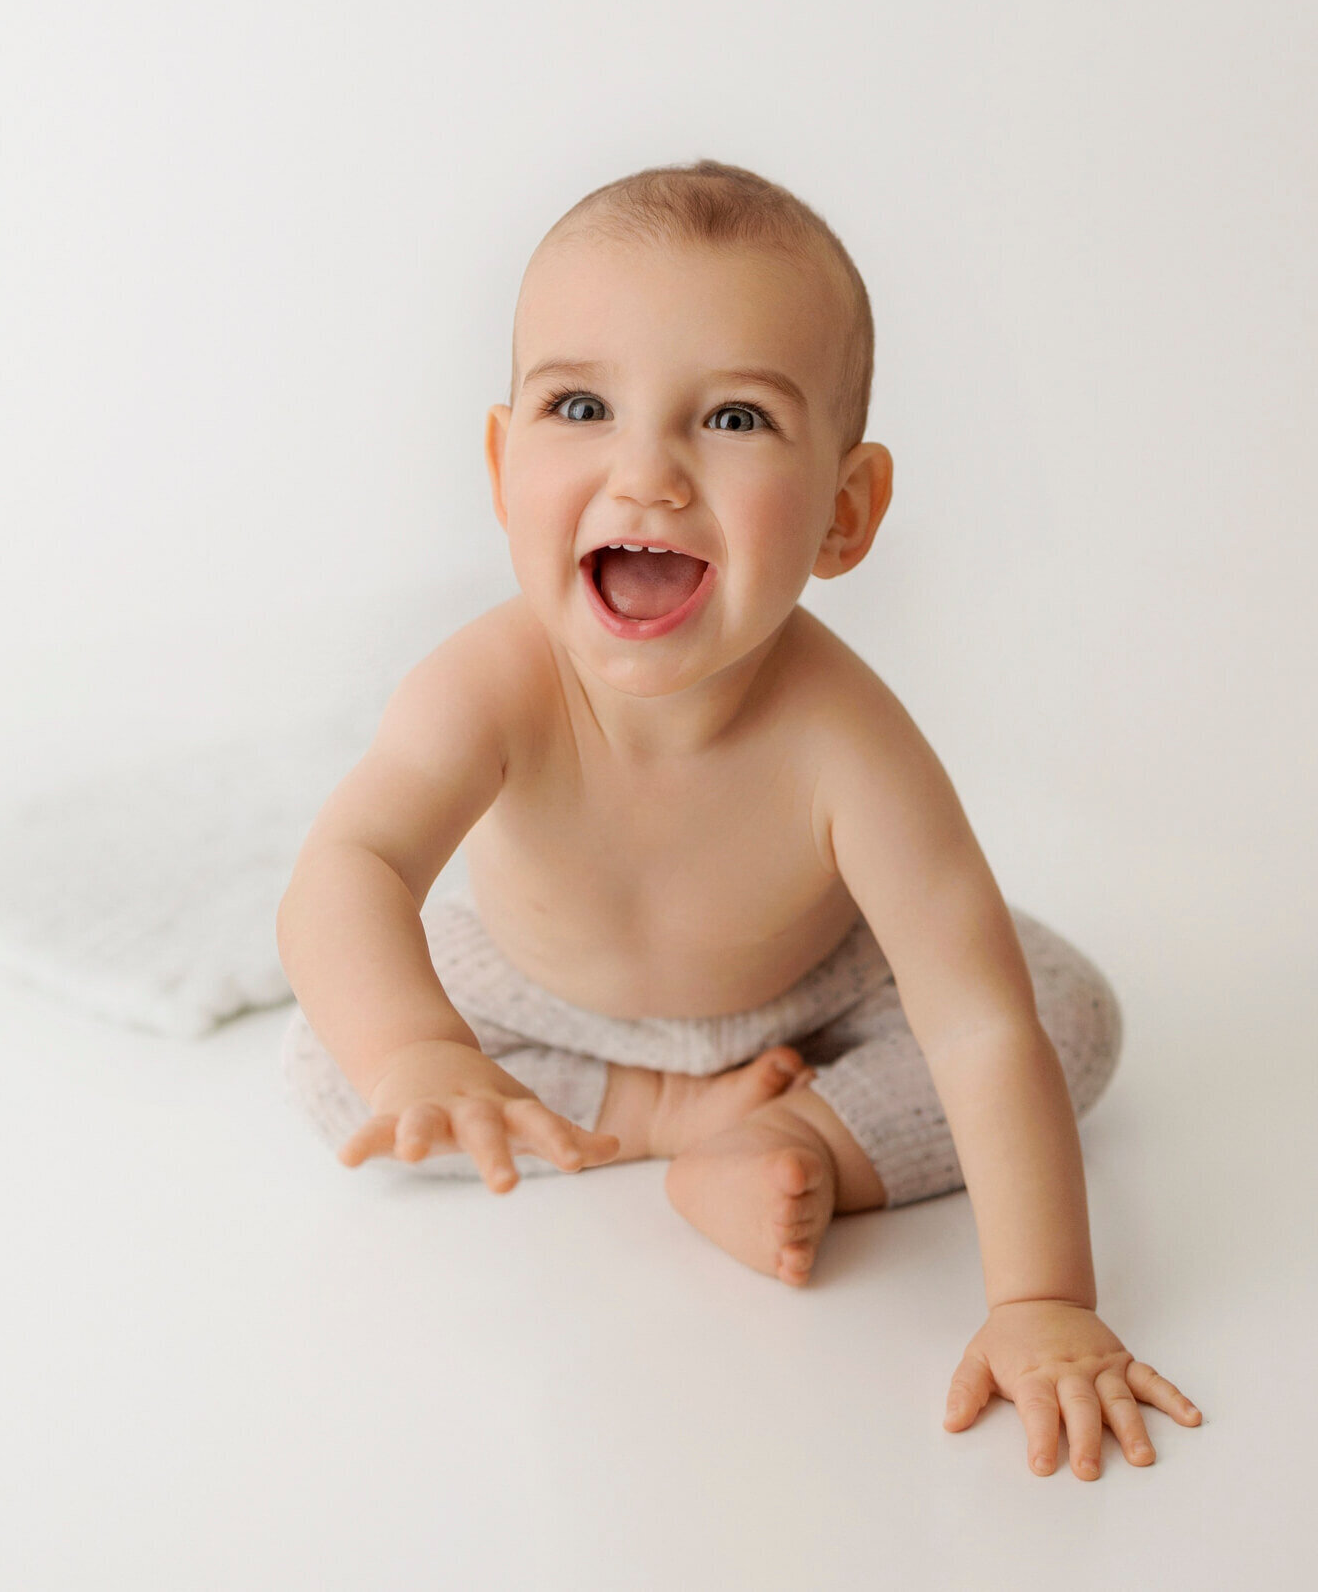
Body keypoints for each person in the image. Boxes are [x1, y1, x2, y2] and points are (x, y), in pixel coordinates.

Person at [276, 159, 1202, 1480]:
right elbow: (347, 868)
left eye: (734, 421)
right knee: (337, 1062)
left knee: (1063, 1017)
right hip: (542, 992)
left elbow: (978, 1019)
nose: (645, 472)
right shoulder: (490, 684)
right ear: (501, 462)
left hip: (811, 992)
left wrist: (1042, 1303)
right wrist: (421, 1048)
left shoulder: (846, 739)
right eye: (582, 405)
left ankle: (791, 1134)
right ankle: (660, 1116)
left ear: (845, 511)